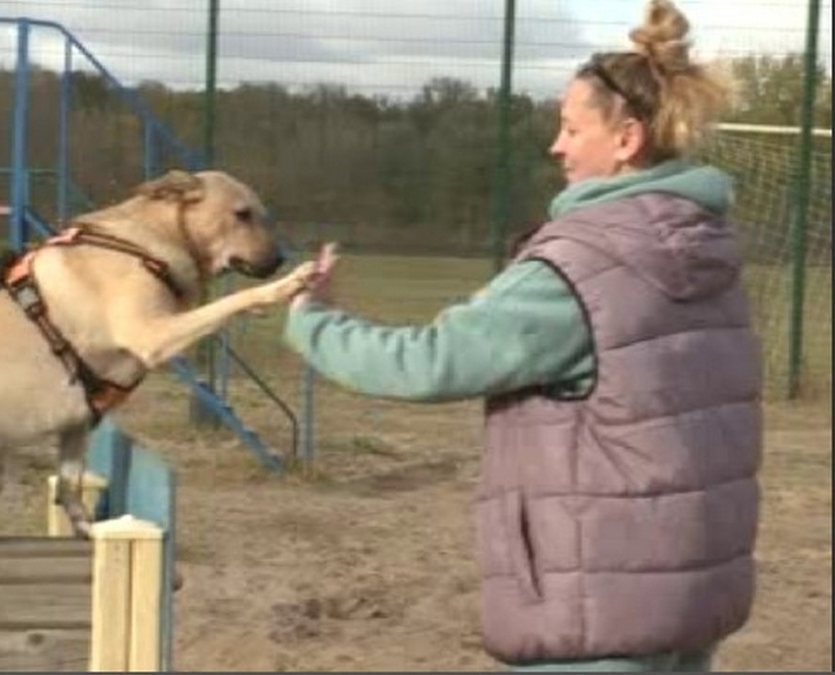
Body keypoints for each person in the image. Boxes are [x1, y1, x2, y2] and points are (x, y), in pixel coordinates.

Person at [281, 0, 762, 671]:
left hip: (597, 602)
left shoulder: (578, 266)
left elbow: (427, 363)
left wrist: (314, 319)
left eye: (570, 128)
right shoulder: (709, 250)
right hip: (685, 589)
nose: (555, 145)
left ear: (625, 141)